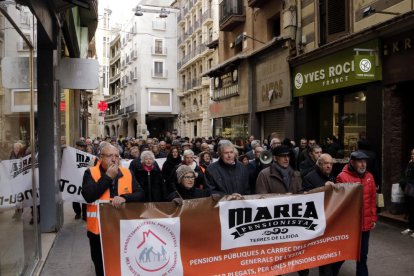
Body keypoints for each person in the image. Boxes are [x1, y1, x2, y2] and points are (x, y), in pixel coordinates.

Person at [82, 144, 145, 276]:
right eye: (110, 156)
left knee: (121, 265)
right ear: (101, 157)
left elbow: (140, 194)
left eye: (116, 156)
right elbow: (89, 196)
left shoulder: (127, 172)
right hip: (98, 231)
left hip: (122, 229)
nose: (114, 159)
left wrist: (125, 198)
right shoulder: (90, 173)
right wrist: (108, 177)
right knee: (101, 266)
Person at [255, 145, 306, 276]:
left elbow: (300, 193)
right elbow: (261, 198)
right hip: (275, 223)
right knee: (276, 258)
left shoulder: (295, 174)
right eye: (283, 156)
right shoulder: (264, 174)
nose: (286, 159)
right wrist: (282, 198)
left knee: (301, 255)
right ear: (275, 158)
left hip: (294, 221)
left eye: (288, 156)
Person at [334, 151, 377, 276]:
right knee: (344, 253)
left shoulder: (369, 176)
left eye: (365, 162)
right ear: (352, 162)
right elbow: (339, 202)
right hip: (350, 225)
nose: (363, 165)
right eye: (360, 162)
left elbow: (372, 198)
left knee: (363, 254)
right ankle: (331, 272)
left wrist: (373, 218)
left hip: (365, 224)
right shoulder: (342, 177)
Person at [400, 149, 414, 237]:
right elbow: (406, 174)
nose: (412, 155)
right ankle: (410, 228)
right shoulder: (410, 163)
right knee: (410, 209)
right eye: (411, 153)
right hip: (409, 188)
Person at [73, 140, 87, 220]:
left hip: (84, 179)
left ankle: (85, 214)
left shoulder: (87, 155)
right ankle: (78, 212)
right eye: (77, 146)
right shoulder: (72, 154)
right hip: (74, 178)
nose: (77, 147)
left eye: (78, 146)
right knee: (75, 196)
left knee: (84, 197)